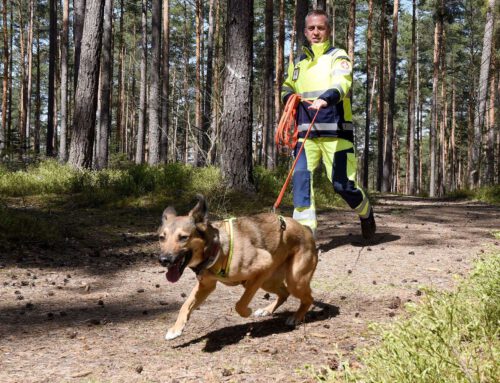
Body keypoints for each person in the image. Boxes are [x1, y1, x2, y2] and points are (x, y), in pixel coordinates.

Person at [281, 9, 376, 239]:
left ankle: (365, 212)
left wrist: (326, 98)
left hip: (337, 133)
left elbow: (343, 83)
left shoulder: (338, 56)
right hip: (305, 134)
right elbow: (288, 86)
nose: (316, 32)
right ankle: (306, 237)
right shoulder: (298, 62)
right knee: (302, 182)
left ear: (328, 31)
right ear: (305, 32)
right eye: (311, 28)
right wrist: (288, 99)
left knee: (343, 185)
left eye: (320, 28)